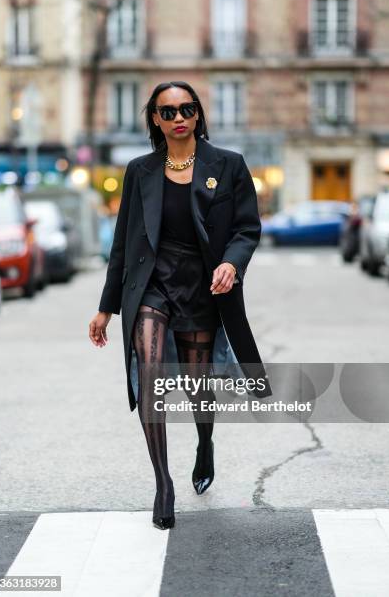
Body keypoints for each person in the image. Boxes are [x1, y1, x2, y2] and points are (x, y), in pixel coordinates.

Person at [89, 80, 271, 530]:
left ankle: (204, 441)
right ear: (155, 118)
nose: (178, 118)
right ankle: (163, 483)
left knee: (196, 385)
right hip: (151, 285)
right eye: (167, 111)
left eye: (186, 109)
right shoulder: (139, 171)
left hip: (203, 287)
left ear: (197, 114)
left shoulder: (227, 165)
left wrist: (231, 264)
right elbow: (123, 243)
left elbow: (247, 229)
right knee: (149, 373)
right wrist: (106, 308)